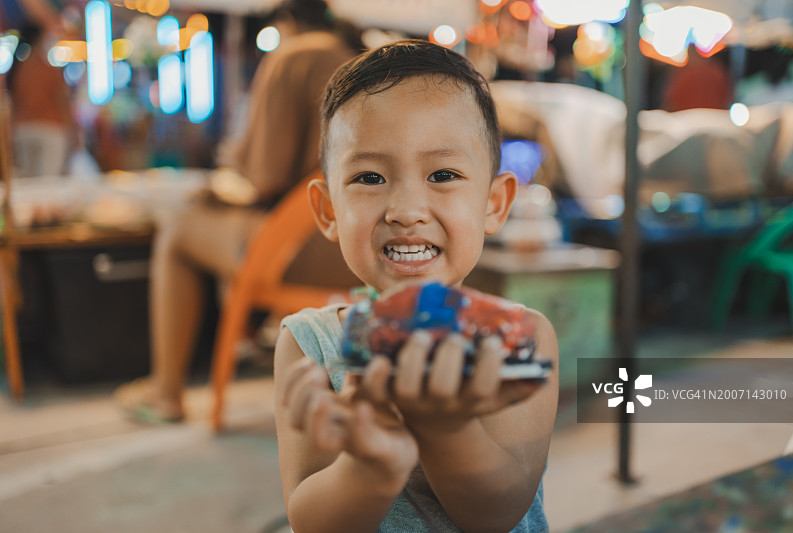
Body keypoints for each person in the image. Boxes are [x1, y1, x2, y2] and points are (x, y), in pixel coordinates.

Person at [275, 40, 559, 532]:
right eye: (369, 177)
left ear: (494, 202)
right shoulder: (312, 347)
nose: (406, 209)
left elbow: (499, 511)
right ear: (328, 211)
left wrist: (443, 428)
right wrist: (371, 465)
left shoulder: (517, 339)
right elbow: (309, 521)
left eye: (443, 174)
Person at [115, 0, 360, 422]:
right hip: (359, 255)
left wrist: (228, 174)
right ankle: (250, 342)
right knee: (228, 232)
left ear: (285, 22)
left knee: (177, 233)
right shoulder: (356, 60)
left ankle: (166, 392)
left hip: (305, 247)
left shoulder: (295, 55)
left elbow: (265, 174)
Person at [9, 23, 75, 177]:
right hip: (50, 129)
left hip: (23, 130)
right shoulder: (48, 69)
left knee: (27, 182)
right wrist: (72, 130)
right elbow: (62, 102)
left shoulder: (18, 70)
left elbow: (13, 104)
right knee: (47, 183)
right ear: (40, 39)